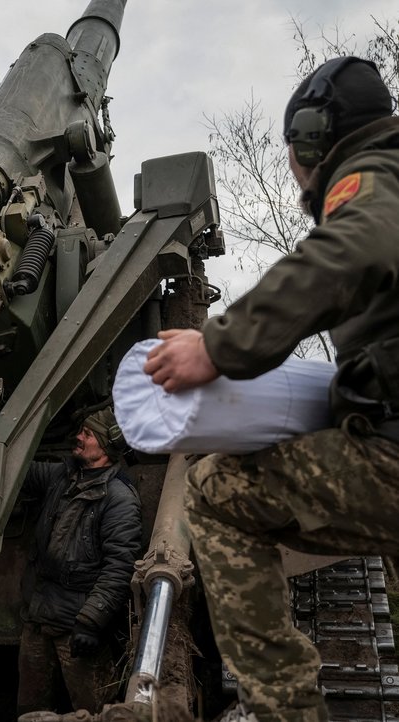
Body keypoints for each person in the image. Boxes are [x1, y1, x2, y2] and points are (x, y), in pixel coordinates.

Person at [142, 57, 399, 722]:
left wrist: (219, 348)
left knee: (216, 492)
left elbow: (355, 249)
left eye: (293, 151)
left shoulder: (372, 181)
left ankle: (285, 708)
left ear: (315, 137)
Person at [17, 407, 142, 715]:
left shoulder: (119, 499)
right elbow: (16, 470)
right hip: (39, 615)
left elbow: (119, 568)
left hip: (76, 624)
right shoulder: (63, 475)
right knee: (30, 707)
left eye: (87, 434)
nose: (78, 437)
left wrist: (90, 622)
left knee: (96, 709)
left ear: (106, 446)